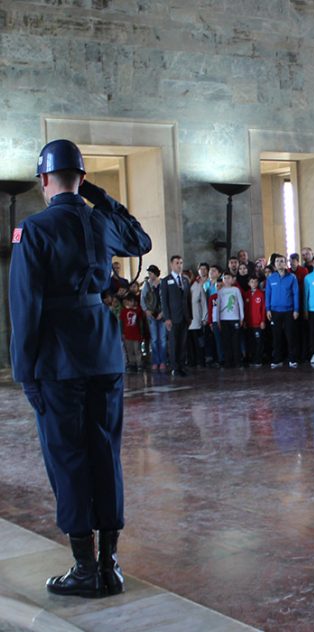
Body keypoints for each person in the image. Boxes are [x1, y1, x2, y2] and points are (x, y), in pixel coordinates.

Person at [9, 139, 151, 597]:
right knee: (104, 455)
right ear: (82, 179)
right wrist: (102, 199)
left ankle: (84, 568)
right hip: (103, 352)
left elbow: (25, 308)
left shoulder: (33, 228)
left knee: (67, 459)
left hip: (58, 359)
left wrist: (24, 372)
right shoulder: (100, 221)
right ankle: (109, 566)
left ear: (44, 180)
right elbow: (141, 240)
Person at [265, 254, 300, 368]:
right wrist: (268, 309)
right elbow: (268, 294)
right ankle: (277, 359)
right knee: (276, 336)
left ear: (286, 264)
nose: (280, 263)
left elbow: (296, 294)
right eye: (277, 261)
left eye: (282, 261)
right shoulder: (271, 278)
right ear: (274, 264)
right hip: (275, 311)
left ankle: (292, 359)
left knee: (290, 336)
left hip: (289, 311)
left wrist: (296, 309)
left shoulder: (292, 277)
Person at [160, 255, 192, 376]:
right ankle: (175, 367)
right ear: (171, 265)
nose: (179, 265)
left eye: (181, 263)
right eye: (177, 263)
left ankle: (182, 365)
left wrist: (190, 316)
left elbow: (188, 298)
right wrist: (167, 317)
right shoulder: (166, 281)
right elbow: (164, 301)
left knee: (183, 343)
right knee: (174, 343)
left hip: (184, 317)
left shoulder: (185, 280)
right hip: (173, 317)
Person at [140, 264, 167, 372]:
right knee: (155, 339)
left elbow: (166, 299)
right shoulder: (147, 285)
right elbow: (143, 298)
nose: (150, 275)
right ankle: (156, 361)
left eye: (151, 273)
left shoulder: (163, 284)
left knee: (163, 339)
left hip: (162, 314)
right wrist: (146, 310)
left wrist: (164, 312)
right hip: (151, 314)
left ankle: (163, 361)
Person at [217, 272, 245, 368]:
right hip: (224, 319)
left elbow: (240, 303)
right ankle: (228, 362)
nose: (227, 280)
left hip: (235, 318)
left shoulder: (236, 290)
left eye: (228, 278)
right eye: (225, 278)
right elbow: (218, 306)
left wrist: (242, 317)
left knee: (236, 341)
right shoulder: (220, 291)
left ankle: (237, 361)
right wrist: (218, 320)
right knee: (226, 341)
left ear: (232, 279)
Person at [244, 275, 266, 366]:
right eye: (252, 282)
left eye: (256, 282)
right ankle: (252, 359)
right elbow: (244, 309)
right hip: (249, 323)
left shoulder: (261, 294)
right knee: (251, 342)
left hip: (258, 323)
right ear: (249, 283)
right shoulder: (246, 294)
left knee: (259, 342)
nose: (254, 283)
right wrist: (244, 321)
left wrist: (263, 321)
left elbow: (263, 308)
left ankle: (258, 360)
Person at [120, 294, 145, 372]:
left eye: (133, 301)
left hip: (136, 334)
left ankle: (139, 364)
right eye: (130, 301)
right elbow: (121, 323)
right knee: (129, 350)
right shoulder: (123, 311)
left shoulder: (137, 311)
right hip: (127, 335)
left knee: (137, 350)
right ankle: (132, 364)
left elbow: (140, 321)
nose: (131, 303)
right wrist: (122, 333)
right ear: (126, 302)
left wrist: (141, 333)